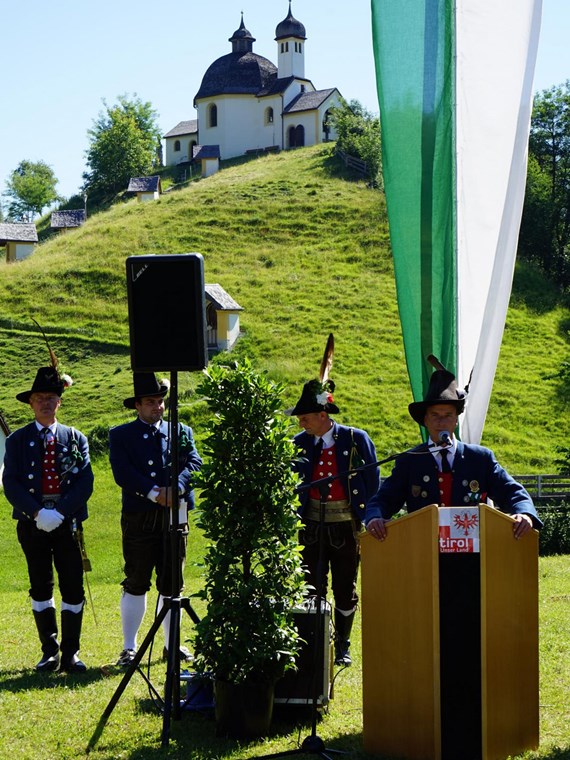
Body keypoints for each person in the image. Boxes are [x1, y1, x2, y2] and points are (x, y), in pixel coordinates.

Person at [365, 358, 542, 540]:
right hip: (425, 551)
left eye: (448, 415)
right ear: (425, 420)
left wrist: (524, 513)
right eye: (435, 415)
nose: (441, 421)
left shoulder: (480, 458)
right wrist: (374, 517)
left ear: (456, 420)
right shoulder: (410, 460)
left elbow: (512, 492)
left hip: (471, 554)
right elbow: (383, 499)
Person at [2, 364, 94, 673]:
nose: (45, 403)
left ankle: (71, 653)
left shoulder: (76, 438)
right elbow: (11, 482)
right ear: (30, 403)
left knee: (73, 586)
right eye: (39, 397)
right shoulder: (16, 441)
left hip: (67, 523)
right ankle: (49, 651)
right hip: (33, 523)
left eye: (51, 397)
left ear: (60, 402)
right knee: (40, 586)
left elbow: (85, 481)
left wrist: (61, 512)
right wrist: (38, 512)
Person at [109, 372, 202, 667]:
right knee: (137, 580)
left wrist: (179, 487)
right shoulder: (121, 435)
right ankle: (129, 648)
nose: (158, 407)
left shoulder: (181, 431)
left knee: (172, 582)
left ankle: (171, 646)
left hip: (175, 512)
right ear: (137, 405)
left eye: (160, 401)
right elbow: (122, 472)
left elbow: (195, 462)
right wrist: (153, 492)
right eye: (151, 402)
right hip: (139, 515)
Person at [287, 377, 379, 666]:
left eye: (305, 418)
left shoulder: (355, 439)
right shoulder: (299, 444)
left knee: (344, 586)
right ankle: (315, 641)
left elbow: (372, 482)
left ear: (322, 415)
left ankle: (342, 644)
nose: (301, 423)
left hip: (345, 526)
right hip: (311, 525)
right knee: (311, 585)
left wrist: (366, 516)